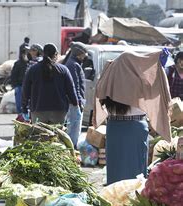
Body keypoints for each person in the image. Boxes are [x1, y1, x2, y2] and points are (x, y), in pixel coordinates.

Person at [93, 51, 172, 185]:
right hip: (135, 127)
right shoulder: (138, 82)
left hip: (114, 127)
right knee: (135, 169)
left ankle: (116, 198)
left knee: (115, 167)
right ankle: (132, 200)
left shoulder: (109, 79)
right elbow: (155, 90)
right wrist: (160, 66)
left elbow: (99, 94)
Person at [22, 43, 78, 124]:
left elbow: (25, 90)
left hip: (38, 110)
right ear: (55, 54)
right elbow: (71, 89)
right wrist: (75, 104)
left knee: (40, 135)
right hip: (59, 111)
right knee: (57, 135)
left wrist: (24, 108)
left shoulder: (32, 70)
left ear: (43, 53)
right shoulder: (63, 70)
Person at [64, 42, 88, 148]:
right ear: (80, 53)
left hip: (75, 102)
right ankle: (71, 149)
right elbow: (75, 86)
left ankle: (72, 148)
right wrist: (77, 102)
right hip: (74, 103)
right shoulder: (73, 65)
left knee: (74, 127)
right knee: (74, 128)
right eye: (84, 53)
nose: (85, 56)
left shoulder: (73, 63)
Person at [10, 47, 29, 116]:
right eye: (25, 53)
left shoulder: (30, 63)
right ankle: (20, 116)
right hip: (19, 86)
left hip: (28, 86)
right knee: (19, 102)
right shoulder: (18, 63)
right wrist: (15, 85)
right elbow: (13, 75)